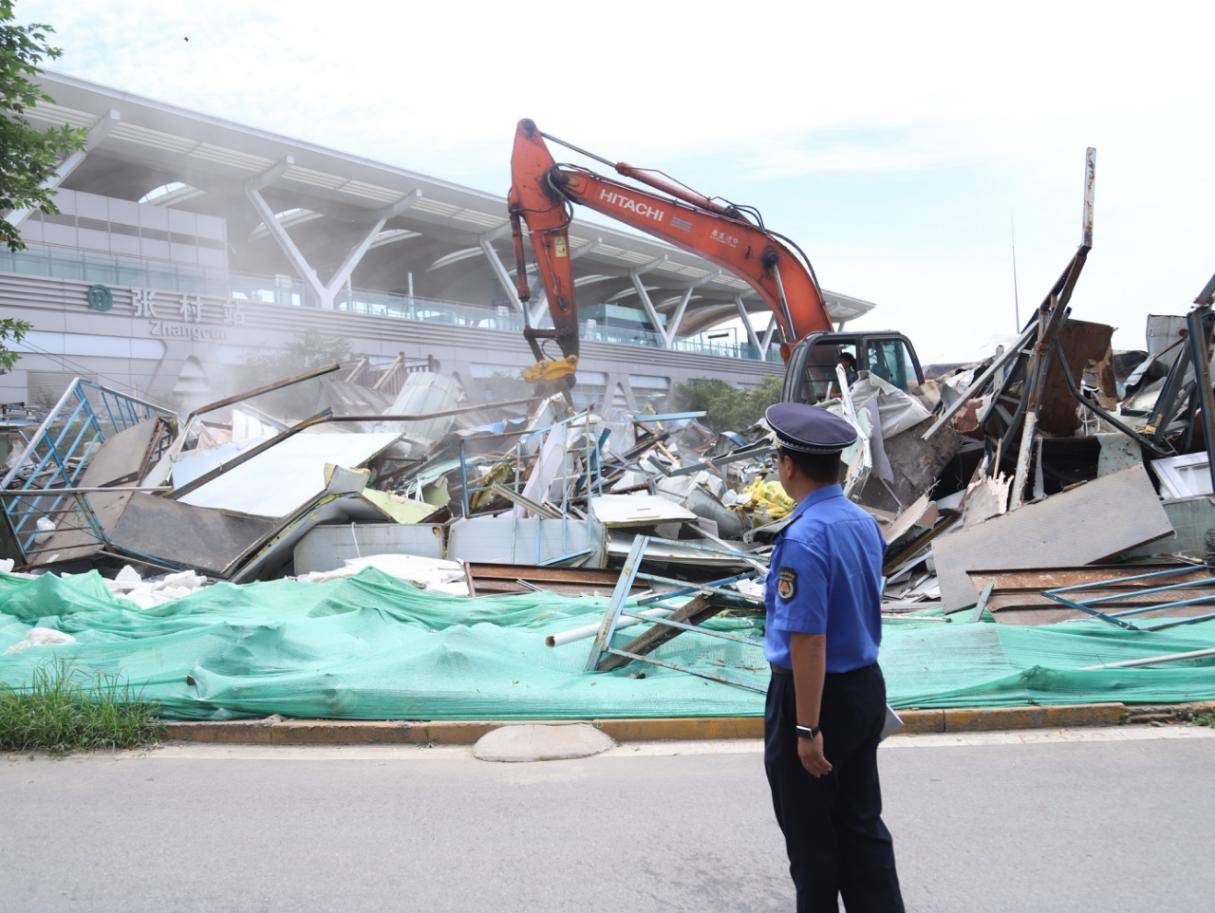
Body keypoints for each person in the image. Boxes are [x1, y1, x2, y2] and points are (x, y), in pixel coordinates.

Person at [762, 401, 904, 913]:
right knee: (861, 825)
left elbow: (808, 640)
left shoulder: (803, 536)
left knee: (812, 842)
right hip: (864, 687)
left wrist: (804, 728)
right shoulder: (862, 523)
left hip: (813, 697)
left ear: (789, 465)